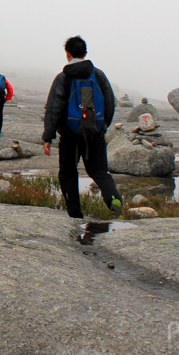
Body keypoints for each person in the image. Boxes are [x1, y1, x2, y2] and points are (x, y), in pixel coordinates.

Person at [41, 36, 123, 219]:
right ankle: (113, 200)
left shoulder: (63, 77)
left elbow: (54, 108)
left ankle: (75, 215)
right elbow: (110, 103)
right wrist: (102, 127)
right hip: (94, 133)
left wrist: (48, 137)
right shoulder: (98, 75)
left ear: (67, 54)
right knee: (100, 172)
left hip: (70, 135)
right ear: (85, 53)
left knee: (68, 173)